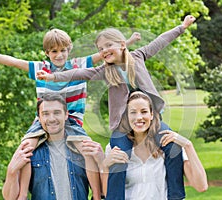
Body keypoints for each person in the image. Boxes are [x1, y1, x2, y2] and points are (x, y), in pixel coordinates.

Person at [36, 15, 196, 200]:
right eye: (100, 49)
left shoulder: (139, 56)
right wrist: (52, 77)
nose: (104, 51)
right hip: (123, 126)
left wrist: (182, 27)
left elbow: (160, 41)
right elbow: (79, 73)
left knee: (172, 147)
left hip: (151, 121)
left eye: (107, 46)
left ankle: (176, 196)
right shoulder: (105, 71)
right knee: (118, 157)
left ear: (122, 44)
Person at [0, 29, 140, 200]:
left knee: (88, 152)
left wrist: (129, 41)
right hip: (42, 121)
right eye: (54, 51)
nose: (59, 55)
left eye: (63, 50)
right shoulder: (40, 68)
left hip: (72, 121)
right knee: (26, 150)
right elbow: (13, 62)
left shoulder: (79, 65)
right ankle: (22, 194)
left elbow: (107, 52)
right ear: (47, 53)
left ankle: (97, 195)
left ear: (69, 49)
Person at [81, 91, 208, 199]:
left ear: (151, 115)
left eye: (144, 111)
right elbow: (108, 194)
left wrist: (188, 145)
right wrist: (104, 165)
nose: (139, 117)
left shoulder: (168, 145)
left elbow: (201, 186)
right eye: (133, 112)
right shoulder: (115, 148)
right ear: (126, 116)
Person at [2, 93, 91, 200]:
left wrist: (101, 161)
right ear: (39, 118)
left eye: (57, 113)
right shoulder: (30, 151)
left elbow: (103, 192)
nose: (52, 119)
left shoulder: (82, 147)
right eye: (45, 114)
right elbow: (10, 198)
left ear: (66, 115)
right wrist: (11, 171)